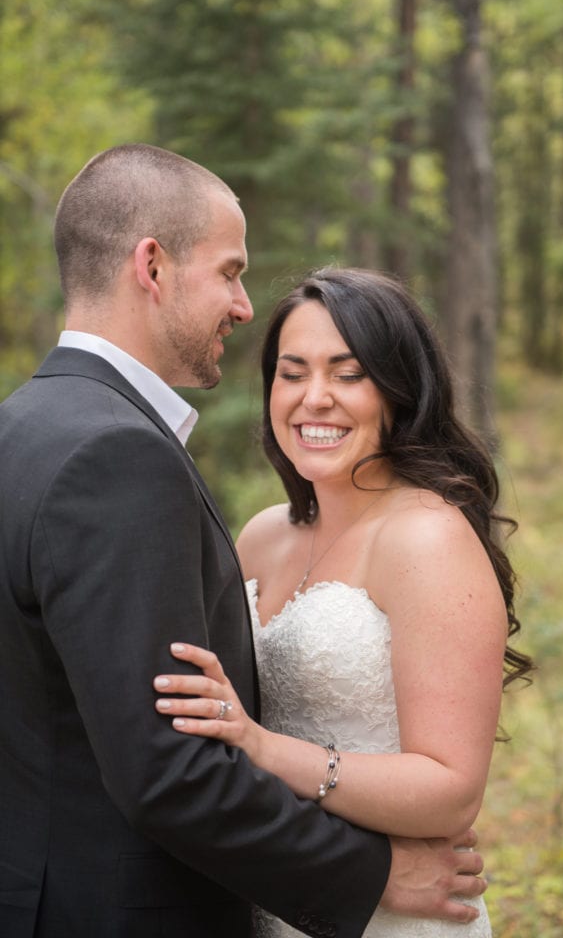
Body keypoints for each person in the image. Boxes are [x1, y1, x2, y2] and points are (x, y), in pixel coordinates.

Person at [0, 146, 486, 938]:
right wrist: (372, 875)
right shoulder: (119, 456)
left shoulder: (18, 429)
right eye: (230, 272)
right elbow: (168, 773)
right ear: (151, 266)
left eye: (348, 371)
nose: (241, 304)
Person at [152, 267, 535, 937]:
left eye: (348, 374)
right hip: (280, 895)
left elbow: (451, 792)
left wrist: (263, 749)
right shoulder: (264, 534)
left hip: (399, 912)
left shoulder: (427, 535)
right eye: (292, 373)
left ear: (398, 390)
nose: (314, 399)